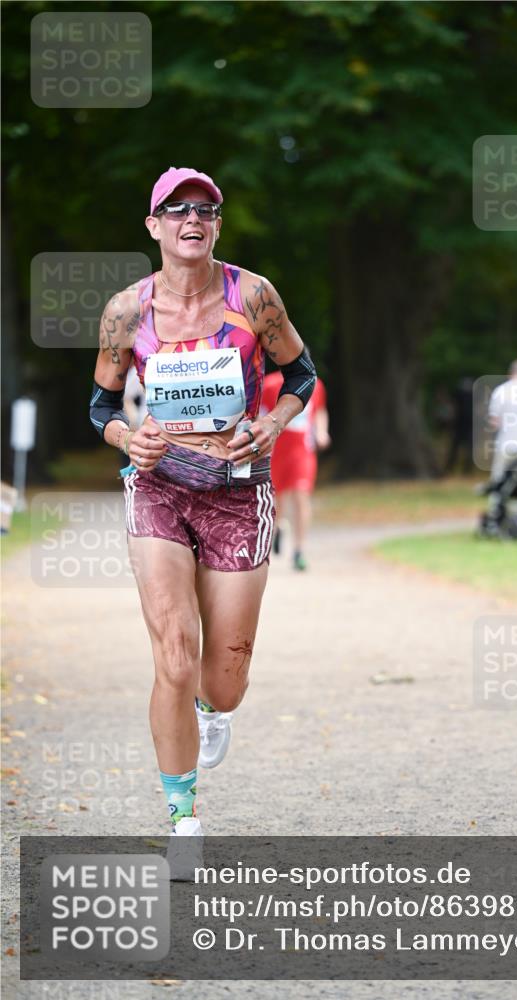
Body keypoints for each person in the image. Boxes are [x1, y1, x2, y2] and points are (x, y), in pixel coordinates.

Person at [89, 167, 316, 870]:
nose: (193, 217)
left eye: (207, 209)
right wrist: (131, 438)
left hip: (238, 488)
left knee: (224, 676)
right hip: (158, 487)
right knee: (174, 655)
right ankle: (182, 816)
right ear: (153, 225)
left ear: (216, 225)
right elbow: (99, 408)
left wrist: (272, 423)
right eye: (177, 208)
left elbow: (302, 376)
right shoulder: (126, 311)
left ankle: (214, 714)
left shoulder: (253, 295)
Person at [260, 370, 330, 570]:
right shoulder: (271, 384)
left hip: (302, 451)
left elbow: (320, 410)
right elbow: (259, 414)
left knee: (301, 495)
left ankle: (299, 550)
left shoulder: (315, 384)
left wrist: (322, 432)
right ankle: (278, 527)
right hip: (276, 452)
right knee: (277, 499)